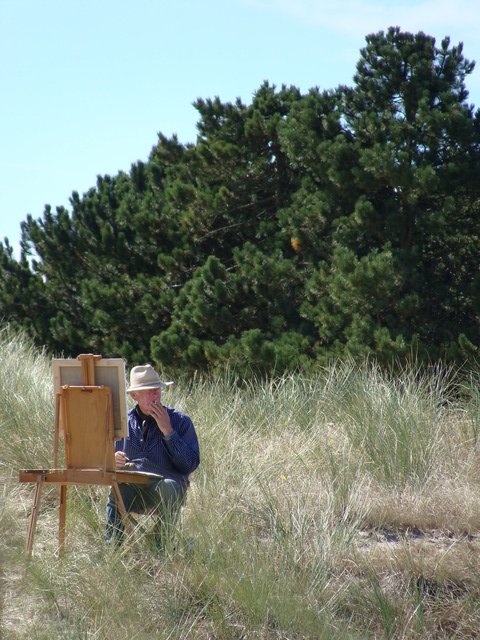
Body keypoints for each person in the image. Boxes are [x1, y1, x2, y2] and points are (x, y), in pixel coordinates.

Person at [106, 364, 200, 547]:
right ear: (134, 396)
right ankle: (113, 550)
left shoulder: (180, 421)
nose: (155, 395)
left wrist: (168, 431)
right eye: (148, 391)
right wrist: (111, 461)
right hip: (134, 489)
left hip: (166, 489)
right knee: (116, 492)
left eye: (157, 389)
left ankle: (159, 547)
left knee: (169, 487)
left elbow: (190, 465)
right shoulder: (122, 423)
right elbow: (103, 463)